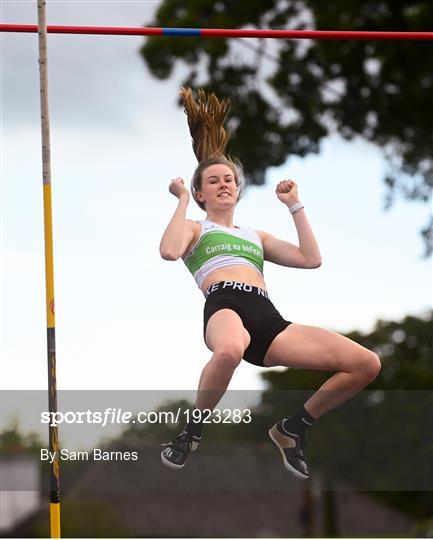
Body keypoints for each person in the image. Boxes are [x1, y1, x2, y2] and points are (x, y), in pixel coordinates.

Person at [159, 87, 381, 480]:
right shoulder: (195, 227)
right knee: (228, 350)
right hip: (225, 305)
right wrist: (179, 201)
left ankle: (293, 429)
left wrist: (294, 205)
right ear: (200, 193)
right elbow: (169, 251)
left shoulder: (255, 236)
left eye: (229, 179)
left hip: (268, 317)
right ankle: (192, 431)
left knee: (365, 364)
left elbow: (311, 259)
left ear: (239, 189)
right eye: (213, 181)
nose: (224, 184)